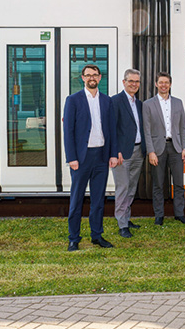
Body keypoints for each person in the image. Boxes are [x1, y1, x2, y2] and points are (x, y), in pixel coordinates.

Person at [62, 64, 116, 251]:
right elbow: (68, 131)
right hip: (81, 158)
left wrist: (112, 154)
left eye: (95, 75)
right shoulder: (73, 100)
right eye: (88, 75)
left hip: (101, 156)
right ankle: (73, 238)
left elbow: (111, 130)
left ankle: (96, 236)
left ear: (100, 78)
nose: (92, 78)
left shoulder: (107, 101)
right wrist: (72, 158)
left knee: (98, 199)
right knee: (76, 199)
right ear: (82, 78)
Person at [142, 72, 185, 225]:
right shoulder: (148, 104)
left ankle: (179, 213)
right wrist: (151, 152)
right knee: (158, 184)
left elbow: (183, 128)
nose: (163, 85)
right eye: (161, 82)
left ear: (170, 84)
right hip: (158, 149)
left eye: (166, 82)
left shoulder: (178, 103)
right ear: (156, 84)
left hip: (176, 148)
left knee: (179, 183)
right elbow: (147, 130)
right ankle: (159, 216)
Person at [110, 68, 146, 238]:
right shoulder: (115, 101)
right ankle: (122, 224)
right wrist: (115, 151)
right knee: (123, 188)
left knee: (131, 187)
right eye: (130, 81)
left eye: (137, 81)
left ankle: (126, 217)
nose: (134, 84)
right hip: (122, 153)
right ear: (123, 82)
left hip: (138, 151)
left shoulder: (139, 104)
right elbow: (111, 129)